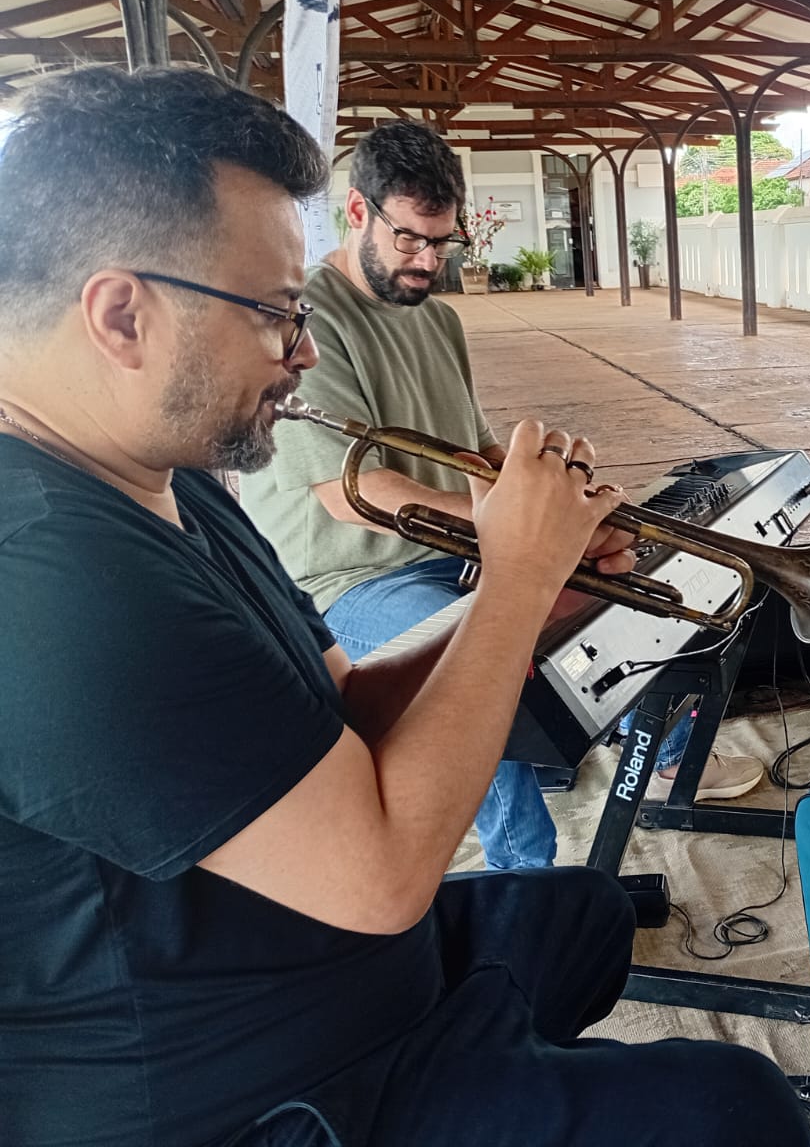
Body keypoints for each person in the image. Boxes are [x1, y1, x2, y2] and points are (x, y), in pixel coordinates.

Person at [0, 66, 810, 1147]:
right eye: (277, 314)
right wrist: (511, 575)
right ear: (120, 313)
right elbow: (382, 876)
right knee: (734, 1108)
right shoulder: (48, 579)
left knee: (586, 915)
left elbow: (345, 704)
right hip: (244, 1084)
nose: (305, 351)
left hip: (306, 968)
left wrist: (542, 596)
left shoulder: (170, 474)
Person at [239, 121, 762, 871]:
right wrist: (515, 534)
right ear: (359, 214)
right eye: (412, 241)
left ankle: (665, 760)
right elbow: (350, 495)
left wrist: (556, 489)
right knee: (486, 666)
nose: (428, 262)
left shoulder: (438, 319)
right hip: (348, 578)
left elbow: (474, 451)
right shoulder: (312, 320)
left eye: (443, 244)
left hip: (450, 556)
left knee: (625, 587)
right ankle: (527, 872)